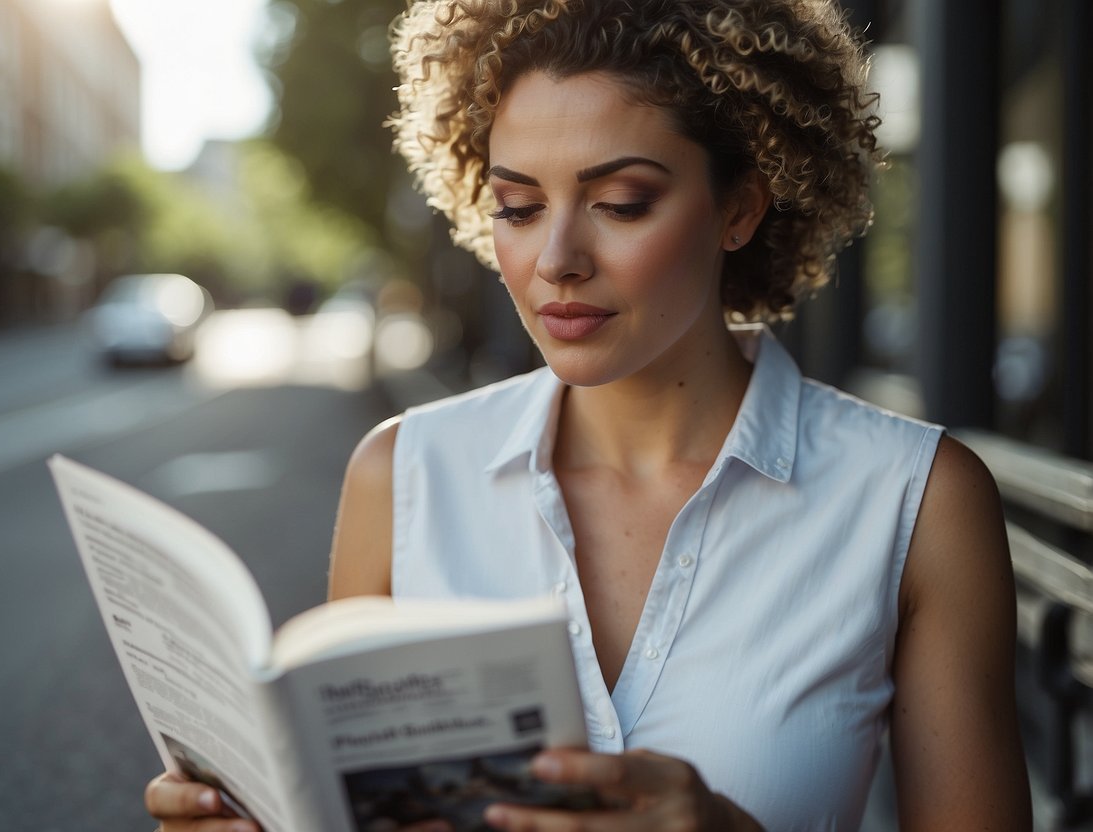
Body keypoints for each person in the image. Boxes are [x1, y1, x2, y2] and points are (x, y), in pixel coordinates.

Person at [147, 1, 1032, 829]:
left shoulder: (916, 503)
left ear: (738, 209)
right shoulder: (403, 473)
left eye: (620, 203)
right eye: (518, 208)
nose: (556, 259)